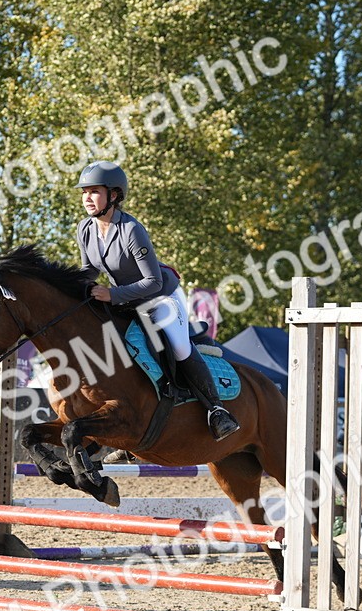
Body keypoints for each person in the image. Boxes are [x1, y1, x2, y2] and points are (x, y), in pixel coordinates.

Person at [75, 160, 240, 441]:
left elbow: (153, 281)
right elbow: (89, 269)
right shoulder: (85, 229)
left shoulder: (131, 229)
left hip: (161, 297)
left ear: (113, 195)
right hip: (127, 300)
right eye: (84, 192)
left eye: (94, 192)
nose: (87, 198)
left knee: (179, 346)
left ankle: (217, 410)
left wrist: (111, 294)